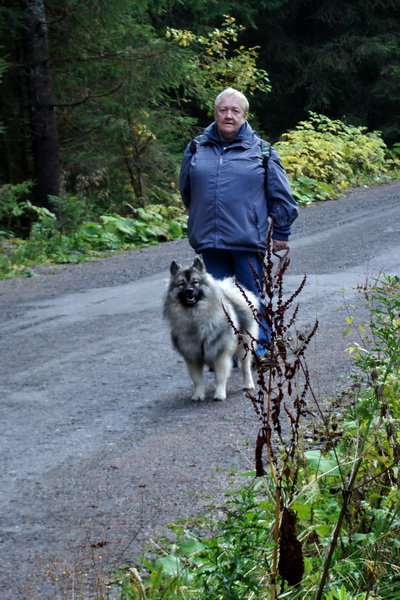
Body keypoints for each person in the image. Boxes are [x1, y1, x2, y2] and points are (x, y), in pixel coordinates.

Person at [178, 87, 299, 359]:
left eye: (235, 111)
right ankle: (229, 353)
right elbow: (186, 190)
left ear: (244, 116)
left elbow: (280, 195)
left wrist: (281, 230)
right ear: (215, 114)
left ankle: (260, 352)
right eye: (223, 110)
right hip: (210, 240)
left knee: (250, 298)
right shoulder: (197, 147)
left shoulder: (262, 151)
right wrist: (202, 215)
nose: (228, 116)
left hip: (247, 239)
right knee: (218, 301)